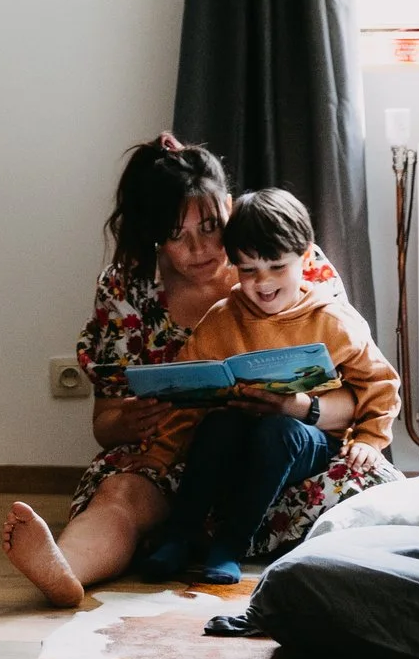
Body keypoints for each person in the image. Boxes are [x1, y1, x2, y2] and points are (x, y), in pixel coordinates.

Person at [0, 135, 241, 607]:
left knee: (355, 492)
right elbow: (104, 426)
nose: (200, 247)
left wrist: (301, 405)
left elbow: (357, 384)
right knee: (119, 495)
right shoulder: (127, 288)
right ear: (155, 235)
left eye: (212, 225)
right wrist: (126, 421)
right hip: (167, 460)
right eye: (177, 234)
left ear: (230, 208)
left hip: (272, 453)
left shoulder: (281, 256)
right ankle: (63, 570)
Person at [134, 187, 402, 585]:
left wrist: (369, 436)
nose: (262, 283)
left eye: (277, 267)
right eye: (247, 270)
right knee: (217, 425)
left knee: (281, 430)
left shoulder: (333, 319)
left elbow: (379, 382)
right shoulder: (223, 318)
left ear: (306, 258)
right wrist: (158, 454)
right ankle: (180, 535)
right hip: (238, 433)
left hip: (306, 439)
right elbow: (186, 398)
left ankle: (230, 546)